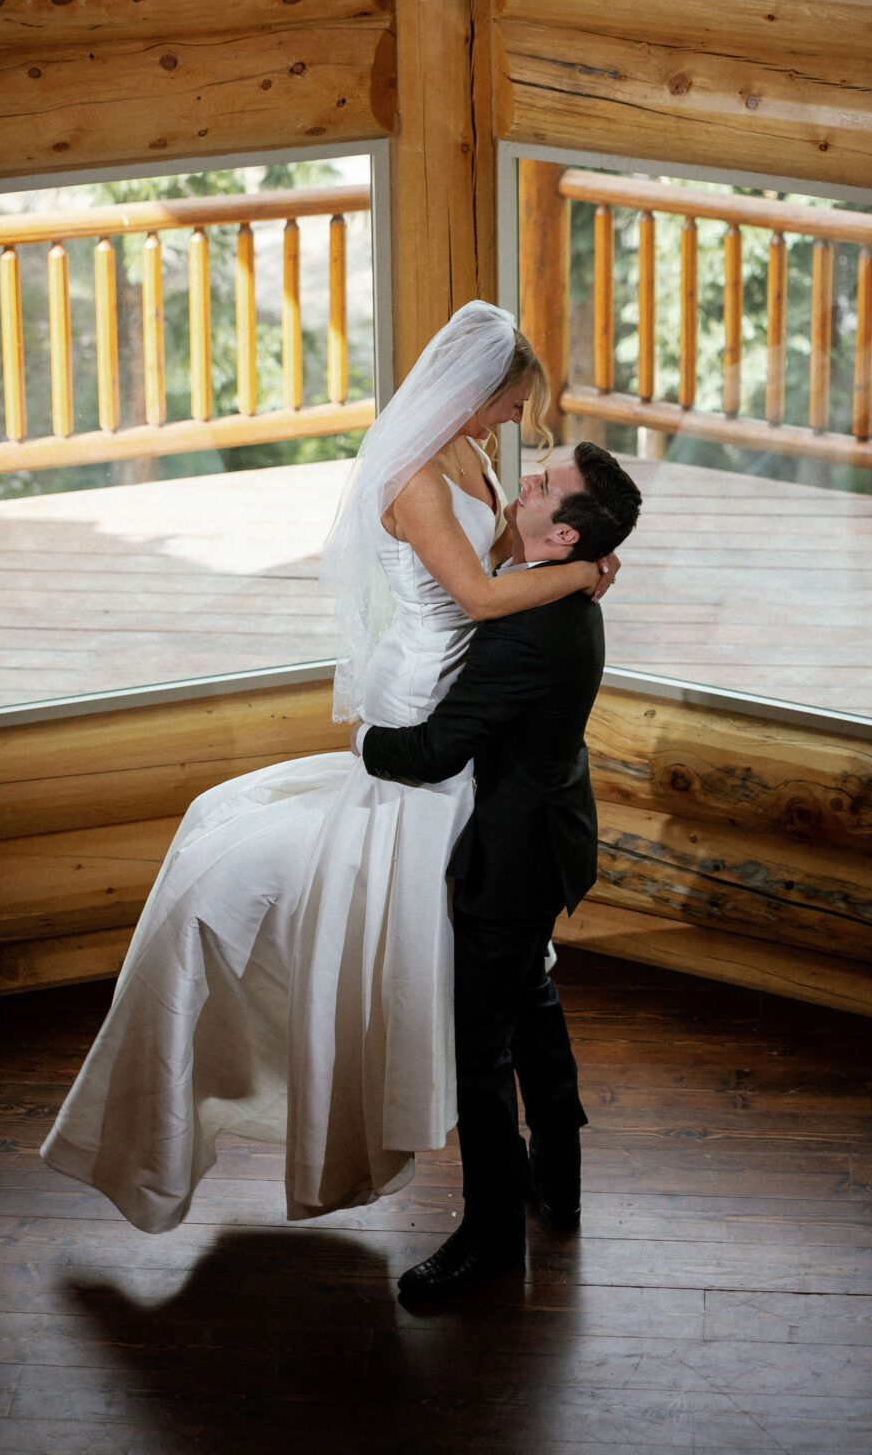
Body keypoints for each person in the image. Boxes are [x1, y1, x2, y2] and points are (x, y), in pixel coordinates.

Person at [40, 301, 620, 1231]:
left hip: (462, 697)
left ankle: (500, 1116)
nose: (519, 426)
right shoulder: (417, 479)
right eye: (513, 406)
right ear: (474, 395)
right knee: (392, 886)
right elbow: (476, 594)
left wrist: (562, 559)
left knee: (487, 951)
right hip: (424, 690)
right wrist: (583, 573)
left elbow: (508, 553)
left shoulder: (469, 455)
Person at [357, 440, 642, 1301]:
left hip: (515, 858)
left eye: (545, 484)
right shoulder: (563, 599)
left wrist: (364, 738)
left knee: (481, 1048)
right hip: (552, 833)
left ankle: (489, 1242)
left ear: (561, 538)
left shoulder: (526, 629)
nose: (526, 478)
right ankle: (560, 1174)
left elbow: (437, 748)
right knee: (532, 999)